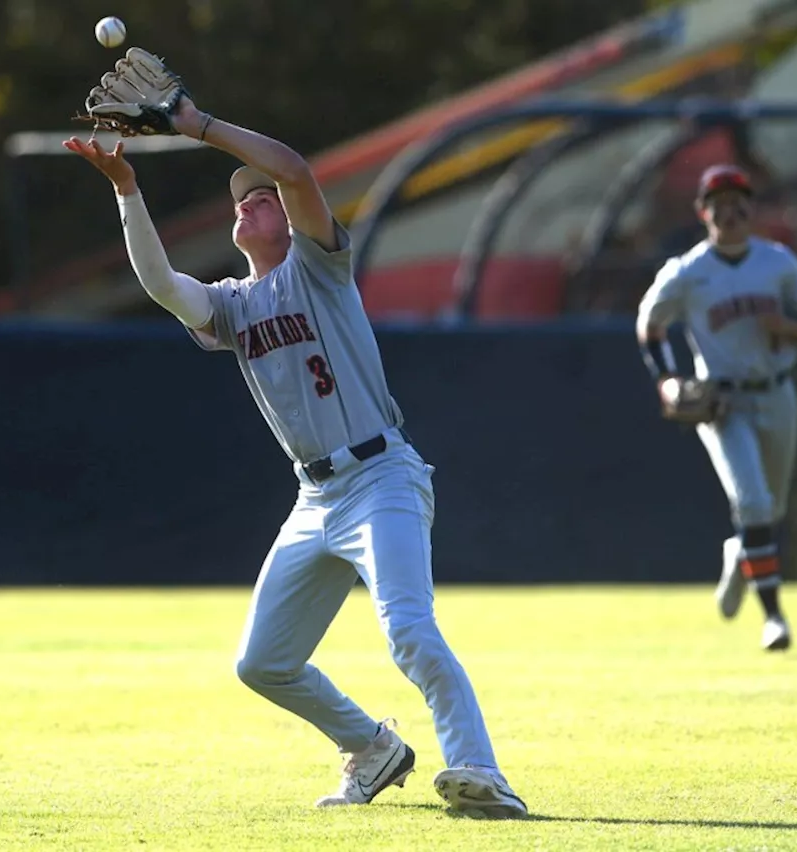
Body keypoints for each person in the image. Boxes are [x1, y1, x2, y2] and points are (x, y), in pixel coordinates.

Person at [62, 89, 527, 818]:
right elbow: (160, 285)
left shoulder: (319, 270)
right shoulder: (233, 304)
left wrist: (199, 127)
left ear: (289, 216)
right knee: (262, 663)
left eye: (260, 199)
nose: (248, 204)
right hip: (315, 499)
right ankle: (373, 747)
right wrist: (128, 191)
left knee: (408, 630)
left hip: (381, 476)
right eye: (241, 201)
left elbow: (296, 172)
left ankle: (479, 769)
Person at [635, 165, 797, 652]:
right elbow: (649, 326)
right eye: (717, 203)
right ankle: (774, 619)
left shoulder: (778, 263)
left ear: (752, 209)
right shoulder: (688, 271)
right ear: (703, 213)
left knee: (771, 511)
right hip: (722, 402)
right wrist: (668, 379)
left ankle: (740, 552)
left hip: (778, 392)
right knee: (756, 504)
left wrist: (786, 326)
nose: (729, 211)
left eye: (737, 201)